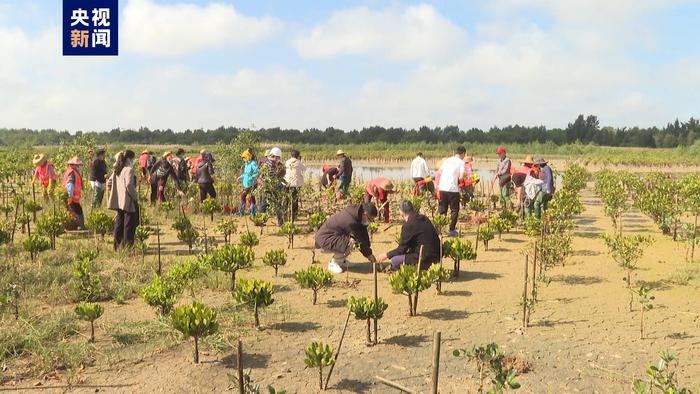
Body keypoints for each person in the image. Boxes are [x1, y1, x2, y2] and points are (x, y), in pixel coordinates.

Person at [376, 200, 440, 271]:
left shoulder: (408, 225)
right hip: (436, 256)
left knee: (395, 260)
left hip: (424, 258)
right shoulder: (424, 218)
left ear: (401, 213)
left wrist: (386, 255)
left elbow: (401, 250)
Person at [315, 203, 378, 274]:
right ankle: (334, 262)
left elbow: (363, 233)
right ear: (364, 214)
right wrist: (368, 254)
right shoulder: (350, 221)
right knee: (352, 242)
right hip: (324, 241)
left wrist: (369, 251)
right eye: (370, 219)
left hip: (333, 237)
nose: (370, 221)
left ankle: (341, 261)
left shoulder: (358, 216)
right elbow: (358, 239)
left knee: (352, 241)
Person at [107, 150, 139, 250]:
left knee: (119, 224)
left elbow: (109, 183)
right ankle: (128, 248)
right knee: (129, 226)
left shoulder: (117, 169)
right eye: (133, 159)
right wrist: (135, 196)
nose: (133, 161)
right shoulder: (128, 170)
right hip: (128, 201)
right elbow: (129, 185)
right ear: (129, 159)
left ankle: (117, 246)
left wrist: (115, 193)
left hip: (119, 202)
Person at [437, 147, 466, 237]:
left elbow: (439, 172)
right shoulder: (461, 162)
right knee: (454, 210)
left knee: (442, 208)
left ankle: (438, 228)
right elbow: (461, 177)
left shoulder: (447, 160)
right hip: (453, 189)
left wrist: (438, 185)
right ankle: (451, 229)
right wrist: (462, 182)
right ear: (463, 154)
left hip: (442, 187)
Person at [258, 147, 286, 224]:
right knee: (273, 205)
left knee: (265, 204)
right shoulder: (271, 165)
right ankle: (280, 222)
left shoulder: (267, 163)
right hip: (270, 187)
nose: (279, 159)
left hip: (269, 187)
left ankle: (260, 221)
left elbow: (261, 176)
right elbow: (264, 177)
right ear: (276, 157)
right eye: (278, 157)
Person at [64, 156, 86, 230]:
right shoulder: (72, 173)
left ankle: (76, 226)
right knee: (77, 211)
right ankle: (80, 226)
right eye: (77, 165)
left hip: (72, 197)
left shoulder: (71, 172)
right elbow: (70, 185)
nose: (78, 166)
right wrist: (70, 196)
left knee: (73, 211)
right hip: (72, 197)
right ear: (72, 165)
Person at [284, 149, 306, 221]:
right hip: (296, 184)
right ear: (298, 155)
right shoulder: (299, 163)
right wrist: (301, 160)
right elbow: (304, 169)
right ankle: (294, 216)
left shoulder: (287, 162)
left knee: (286, 200)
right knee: (295, 201)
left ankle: (285, 215)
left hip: (287, 184)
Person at [238, 148, 259, 216]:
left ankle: (251, 213)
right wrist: (240, 177)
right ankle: (242, 211)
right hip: (246, 184)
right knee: (243, 196)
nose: (243, 159)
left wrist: (251, 177)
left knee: (250, 197)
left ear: (248, 157)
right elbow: (245, 174)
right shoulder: (246, 164)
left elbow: (258, 172)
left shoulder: (253, 163)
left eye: (244, 157)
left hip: (252, 184)